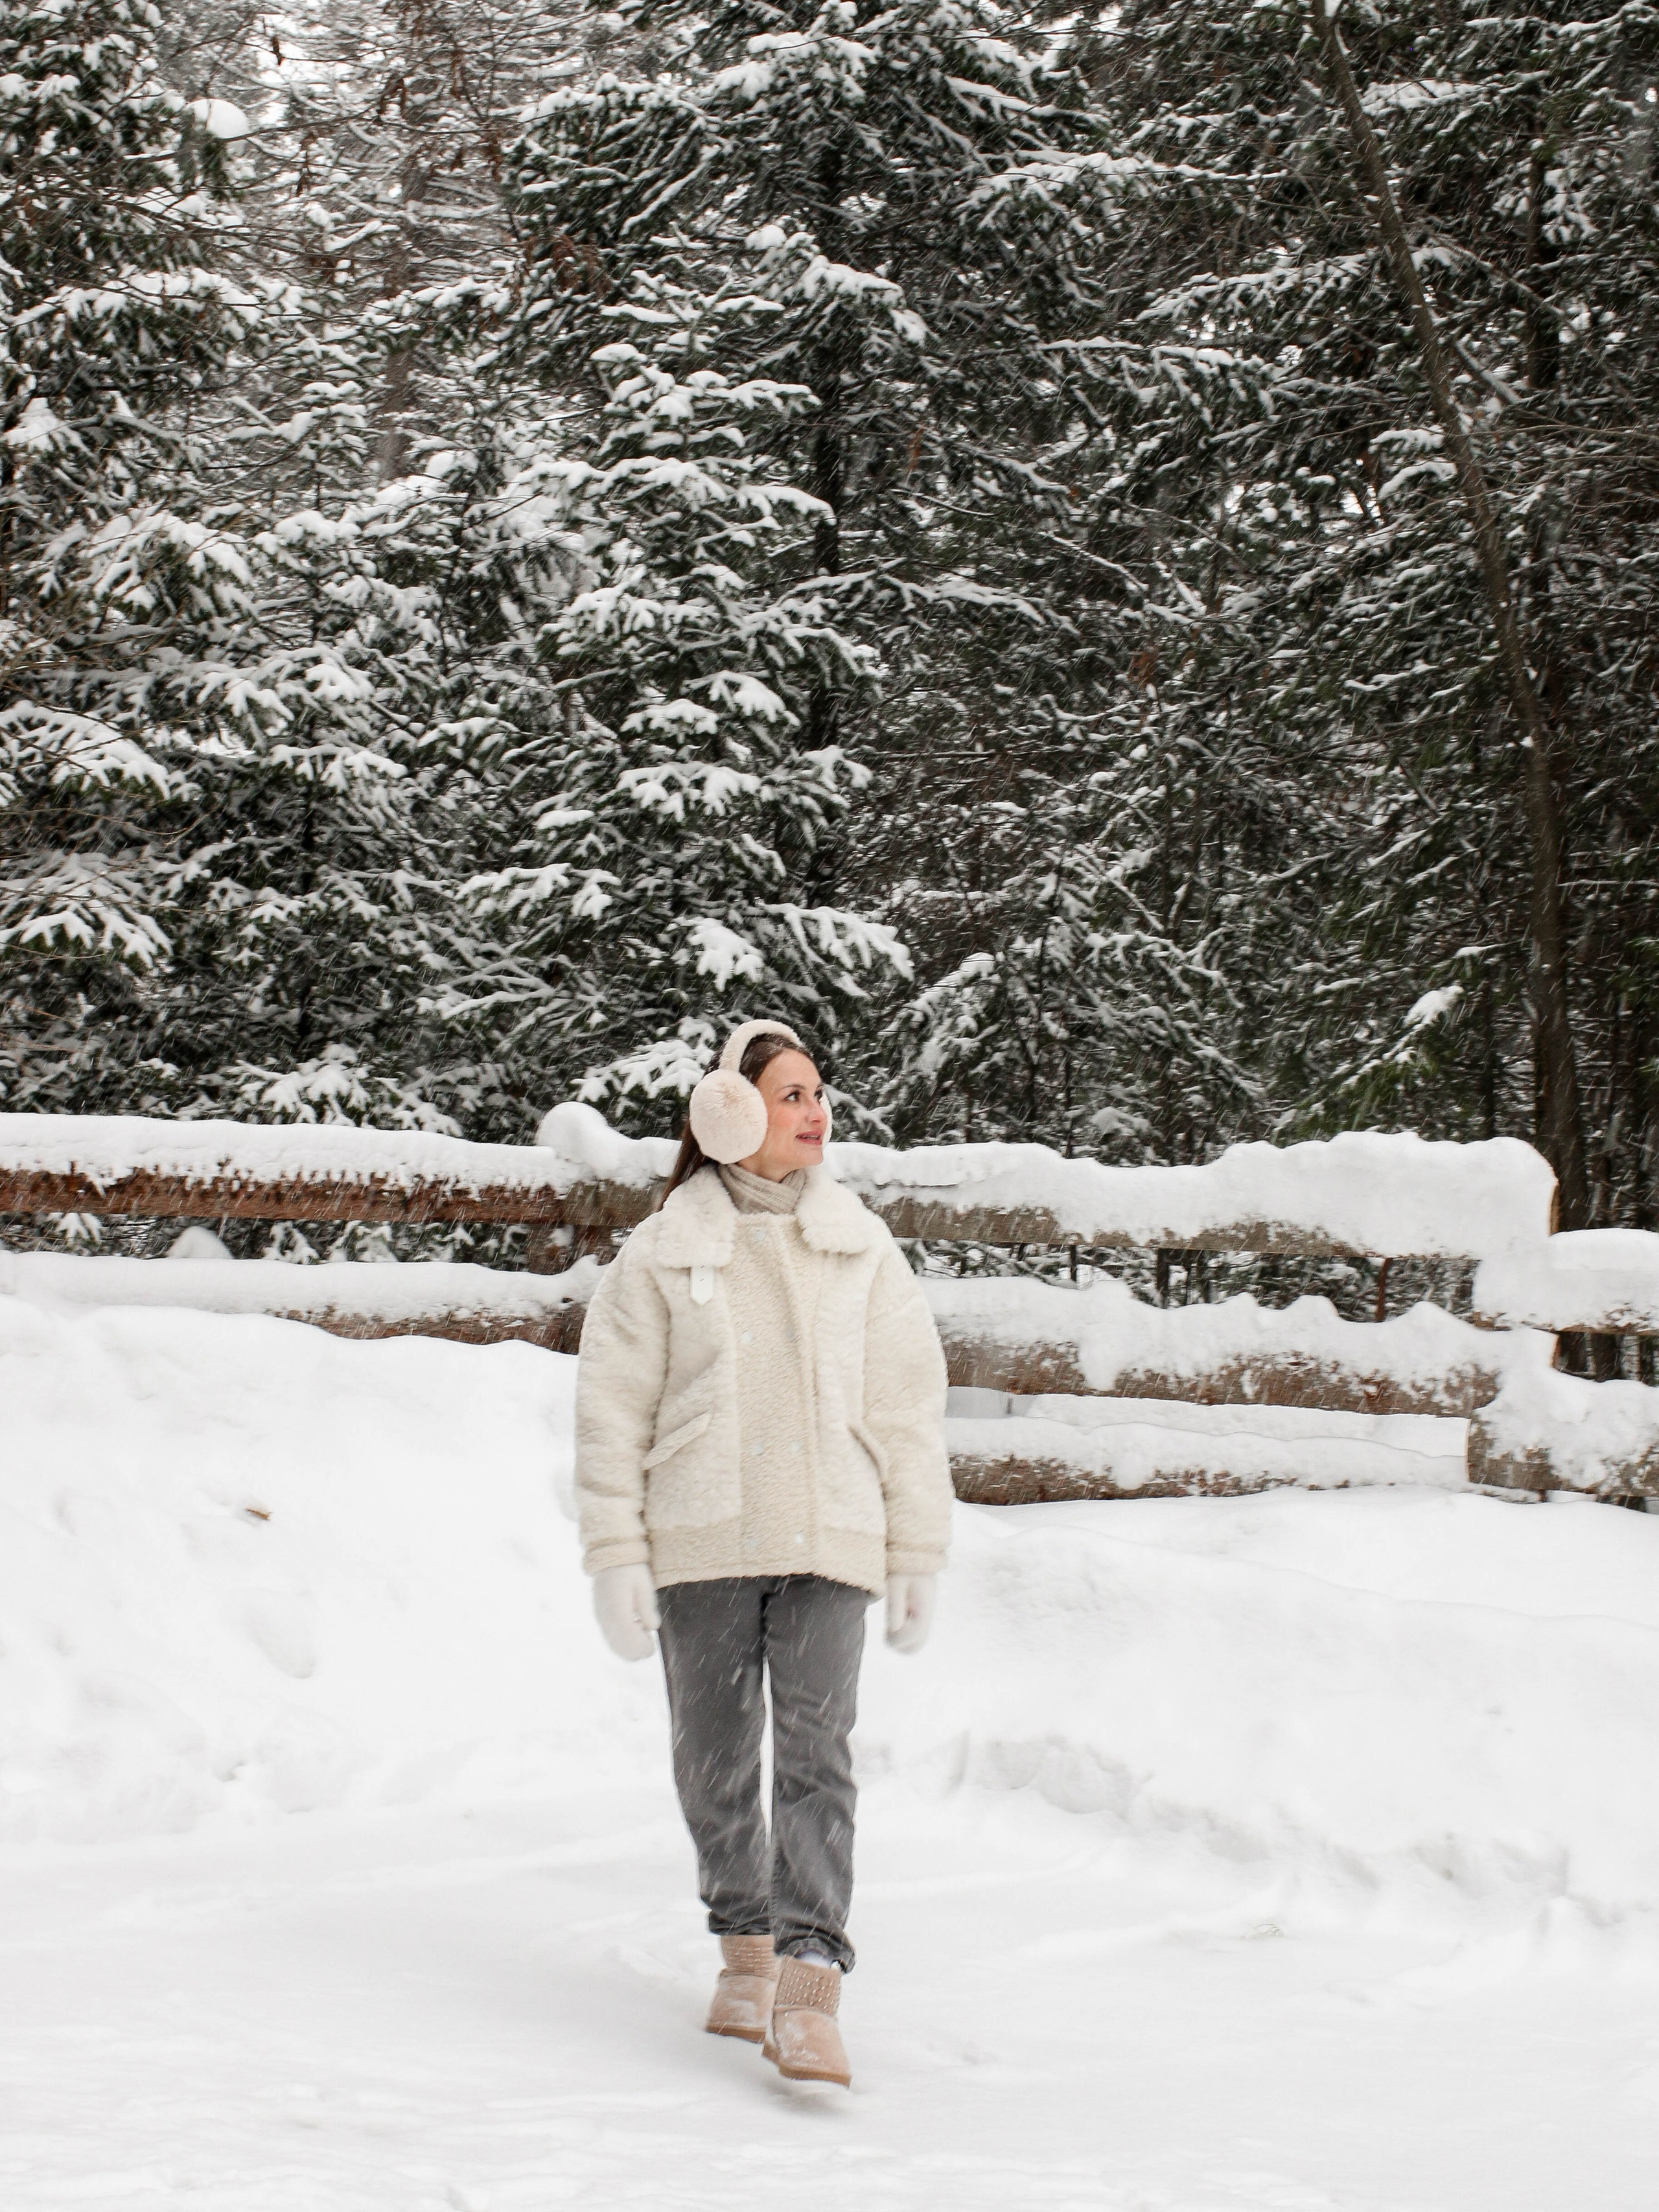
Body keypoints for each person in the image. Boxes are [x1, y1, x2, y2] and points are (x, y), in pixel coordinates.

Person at [574, 1018, 953, 2087]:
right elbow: (611, 1409)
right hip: (703, 1537)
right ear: (729, 1112)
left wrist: (917, 1543)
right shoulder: (665, 1249)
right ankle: (742, 1942)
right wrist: (616, 1550)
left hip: (833, 1532)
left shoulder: (860, 1245)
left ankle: (809, 1980)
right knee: (714, 1752)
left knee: (818, 1755)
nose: (816, 1111)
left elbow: (908, 1402)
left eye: (819, 1091)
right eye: (791, 1095)